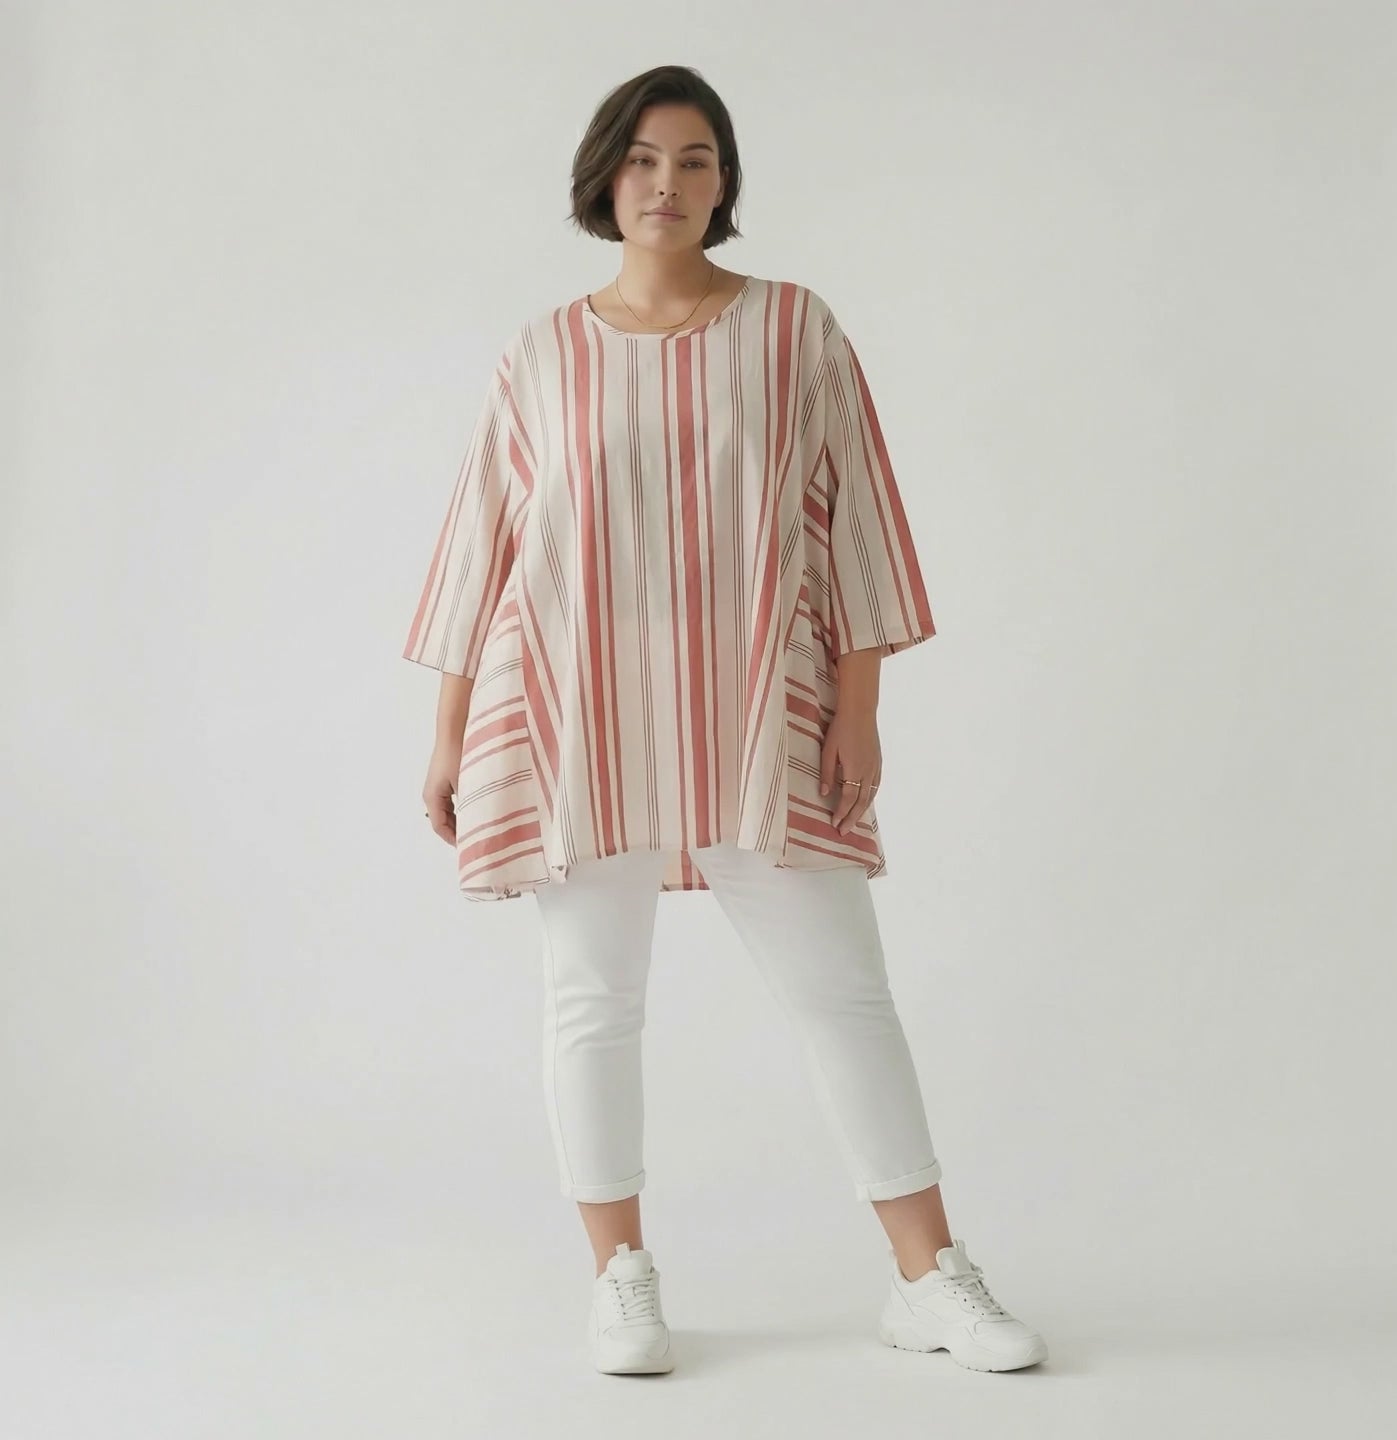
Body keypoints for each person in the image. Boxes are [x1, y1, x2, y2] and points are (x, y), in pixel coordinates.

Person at [401, 63, 1048, 1377]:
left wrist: (859, 711)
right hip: (578, 720)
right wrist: (447, 731)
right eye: (643, 160)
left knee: (844, 996)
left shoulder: (796, 331)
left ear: (725, 182)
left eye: (695, 160)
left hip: (765, 710)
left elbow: (857, 520)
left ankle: (928, 1278)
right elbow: (484, 546)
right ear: (604, 179)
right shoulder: (540, 355)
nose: (667, 183)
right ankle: (621, 1279)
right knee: (592, 1003)